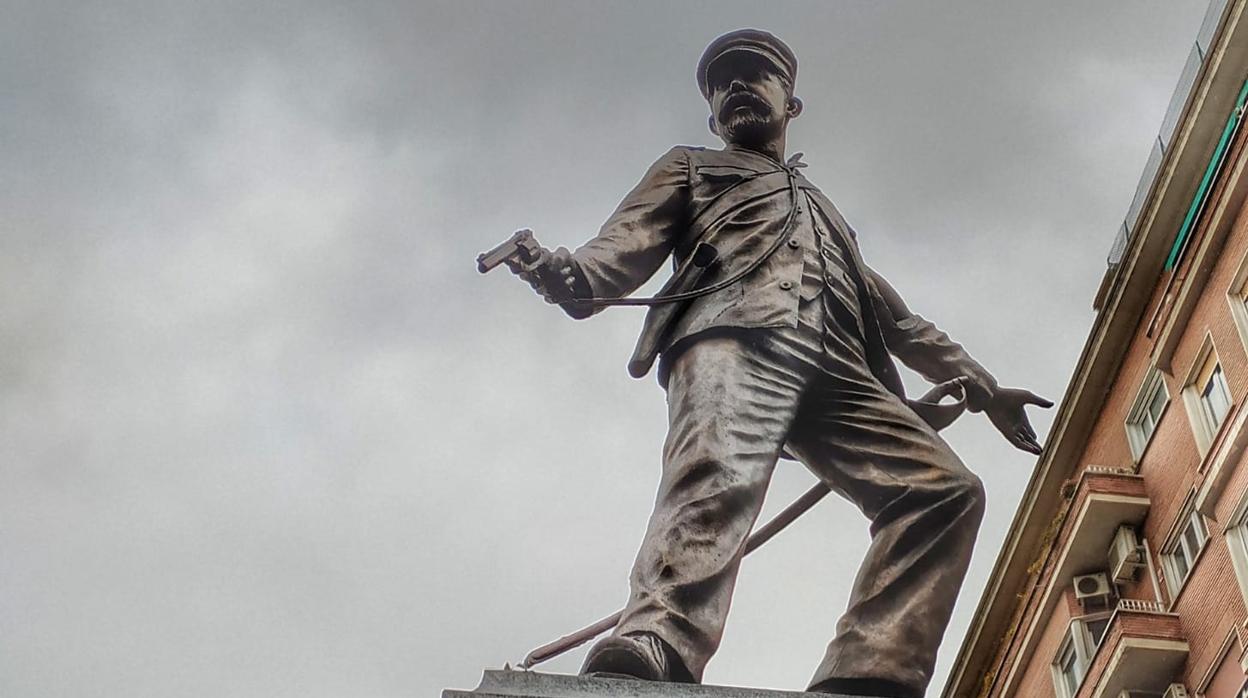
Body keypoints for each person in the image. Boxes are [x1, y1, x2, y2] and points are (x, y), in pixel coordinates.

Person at [507, 29, 1050, 698]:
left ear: (791, 103)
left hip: (840, 372)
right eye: (722, 83)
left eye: (754, 75)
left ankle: (874, 665)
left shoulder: (825, 214)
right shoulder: (690, 167)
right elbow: (621, 246)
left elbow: (900, 321)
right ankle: (658, 636)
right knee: (714, 477)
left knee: (944, 492)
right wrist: (565, 273)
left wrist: (988, 390)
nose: (737, 86)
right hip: (734, 336)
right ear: (712, 116)